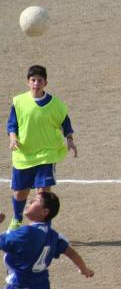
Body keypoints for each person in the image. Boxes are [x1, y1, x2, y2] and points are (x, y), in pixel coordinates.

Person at [6, 65, 78, 232]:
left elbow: (65, 122)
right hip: (24, 154)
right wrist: (13, 138)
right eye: (33, 80)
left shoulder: (55, 104)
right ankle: (17, 218)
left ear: (45, 83)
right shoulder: (19, 102)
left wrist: (69, 139)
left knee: (43, 193)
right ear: (28, 82)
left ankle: (44, 225)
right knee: (20, 192)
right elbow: (12, 125)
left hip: (47, 153)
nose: (36, 83)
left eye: (40, 80)